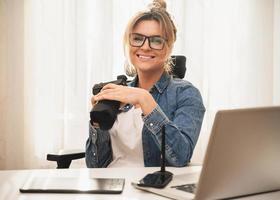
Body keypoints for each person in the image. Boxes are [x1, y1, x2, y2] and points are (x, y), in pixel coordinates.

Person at [86, 0, 205, 168]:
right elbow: (95, 166)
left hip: (152, 189)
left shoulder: (186, 94)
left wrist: (145, 99)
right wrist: (97, 123)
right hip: (113, 190)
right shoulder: (116, 94)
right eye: (137, 38)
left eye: (156, 40)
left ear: (169, 47)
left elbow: (180, 157)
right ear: (128, 43)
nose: (145, 47)